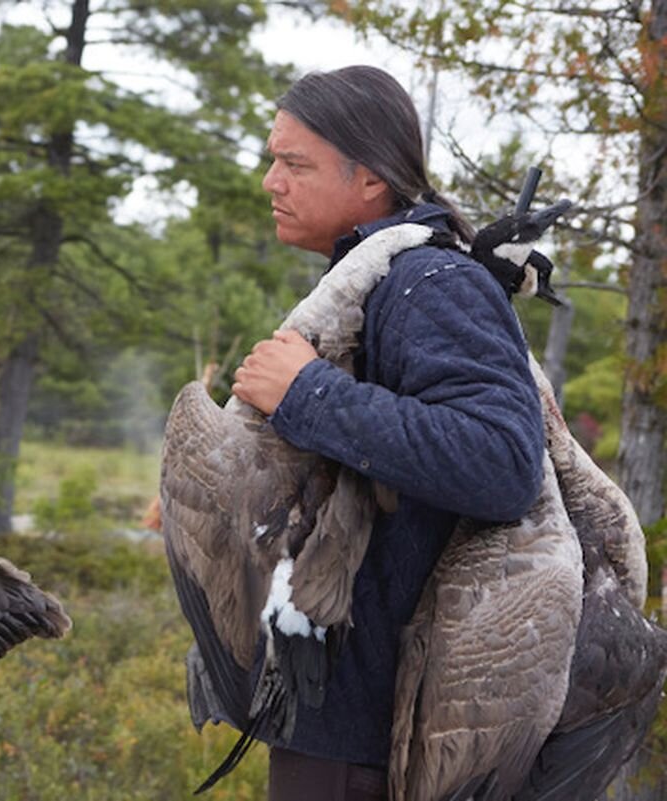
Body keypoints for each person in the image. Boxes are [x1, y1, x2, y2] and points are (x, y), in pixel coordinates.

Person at [230, 66, 545, 800]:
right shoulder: (389, 282)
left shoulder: (429, 283)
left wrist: (306, 392)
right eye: (273, 159)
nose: (272, 182)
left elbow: (501, 461)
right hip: (349, 722)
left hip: (377, 746)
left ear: (370, 180)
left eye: (294, 163)